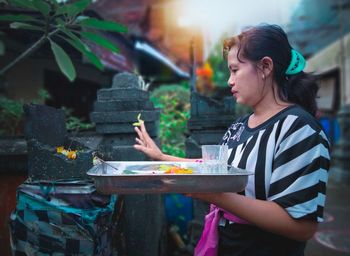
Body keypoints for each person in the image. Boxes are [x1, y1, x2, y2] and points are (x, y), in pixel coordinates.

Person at [134, 24, 330, 256]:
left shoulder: (298, 128)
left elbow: (301, 225)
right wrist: (161, 157)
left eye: (235, 70)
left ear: (265, 66)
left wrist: (214, 196)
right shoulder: (239, 126)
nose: (229, 81)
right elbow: (215, 171)